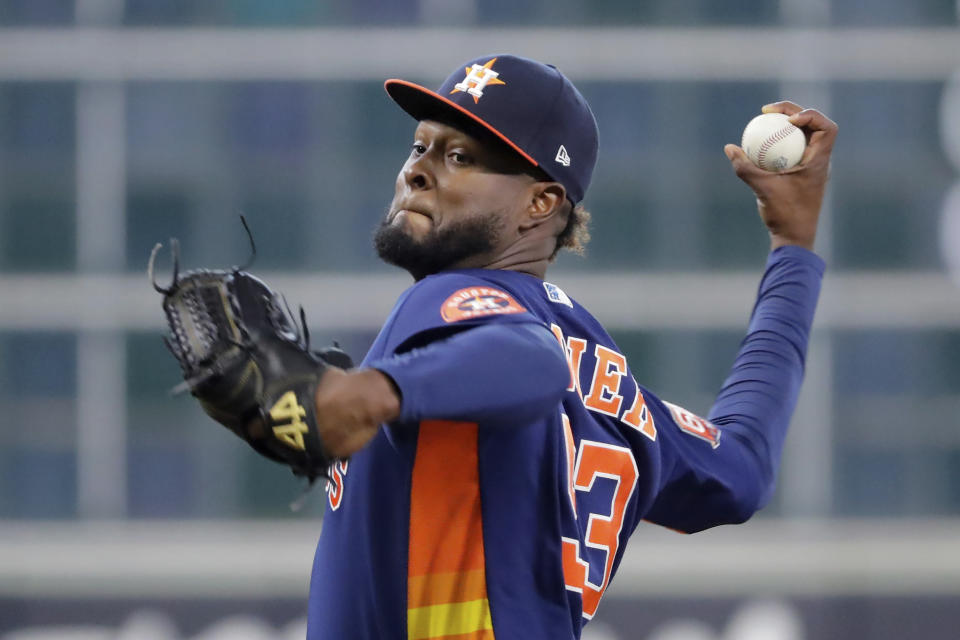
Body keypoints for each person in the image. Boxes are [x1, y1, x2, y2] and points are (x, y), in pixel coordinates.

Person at [305, 54, 836, 640]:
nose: (417, 171)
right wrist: (794, 246)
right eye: (419, 147)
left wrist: (373, 390)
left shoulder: (450, 299)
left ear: (541, 203)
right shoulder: (616, 391)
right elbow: (743, 468)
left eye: (458, 156)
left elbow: (528, 360)